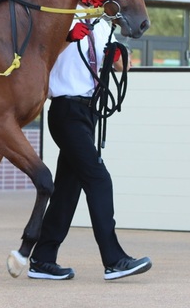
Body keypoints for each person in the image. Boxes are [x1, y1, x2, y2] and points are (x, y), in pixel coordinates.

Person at [28, 18, 152, 281]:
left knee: (67, 189)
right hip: (65, 110)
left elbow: (123, 66)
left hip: (89, 112)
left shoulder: (102, 26)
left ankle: (42, 259)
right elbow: (39, 56)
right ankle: (114, 260)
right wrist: (67, 38)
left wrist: (117, 54)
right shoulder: (61, 18)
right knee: (99, 179)